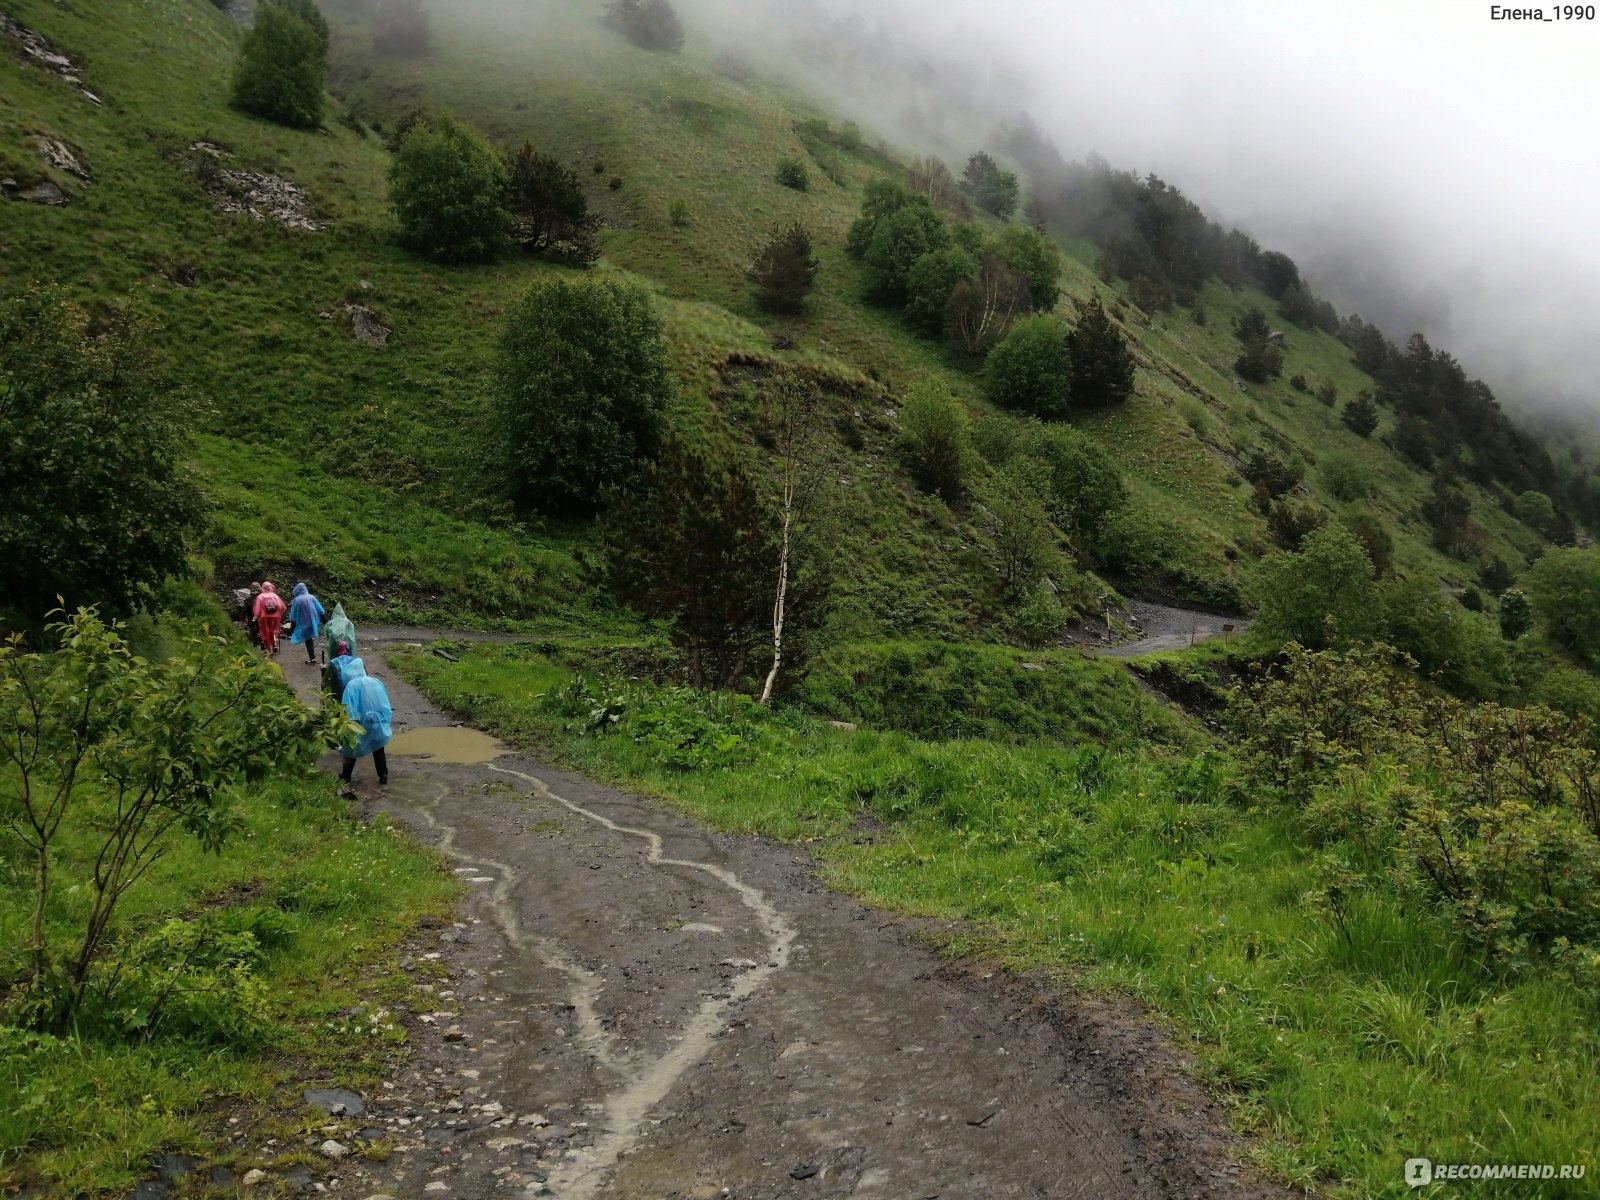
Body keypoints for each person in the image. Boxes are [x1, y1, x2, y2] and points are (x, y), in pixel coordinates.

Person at [339, 659, 392, 785]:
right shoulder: (376, 682)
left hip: (360, 722)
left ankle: (346, 776)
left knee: (351, 748)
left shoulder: (351, 686)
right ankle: (383, 775)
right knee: (378, 748)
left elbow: (348, 709)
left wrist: (346, 724)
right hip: (378, 720)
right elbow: (385, 702)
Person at [287, 582, 326, 664]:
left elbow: (293, 615)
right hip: (313, 621)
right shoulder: (312, 597)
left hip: (303, 622)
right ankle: (312, 658)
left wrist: (291, 629)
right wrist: (326, 623)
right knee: (309, 639)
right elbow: (321, 610)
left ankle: (312, 657)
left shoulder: (297, 600)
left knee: (308, 639)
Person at [253, 581, 285, 654]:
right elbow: (282, 606)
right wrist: (280, 614)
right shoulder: (275, 596)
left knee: (265, 632)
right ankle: (274, 646)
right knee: (272, 630)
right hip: (275, 616)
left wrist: (254, 618)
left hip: (264, 617)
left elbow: (257, 608)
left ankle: (267, 648)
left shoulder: (260, 596)